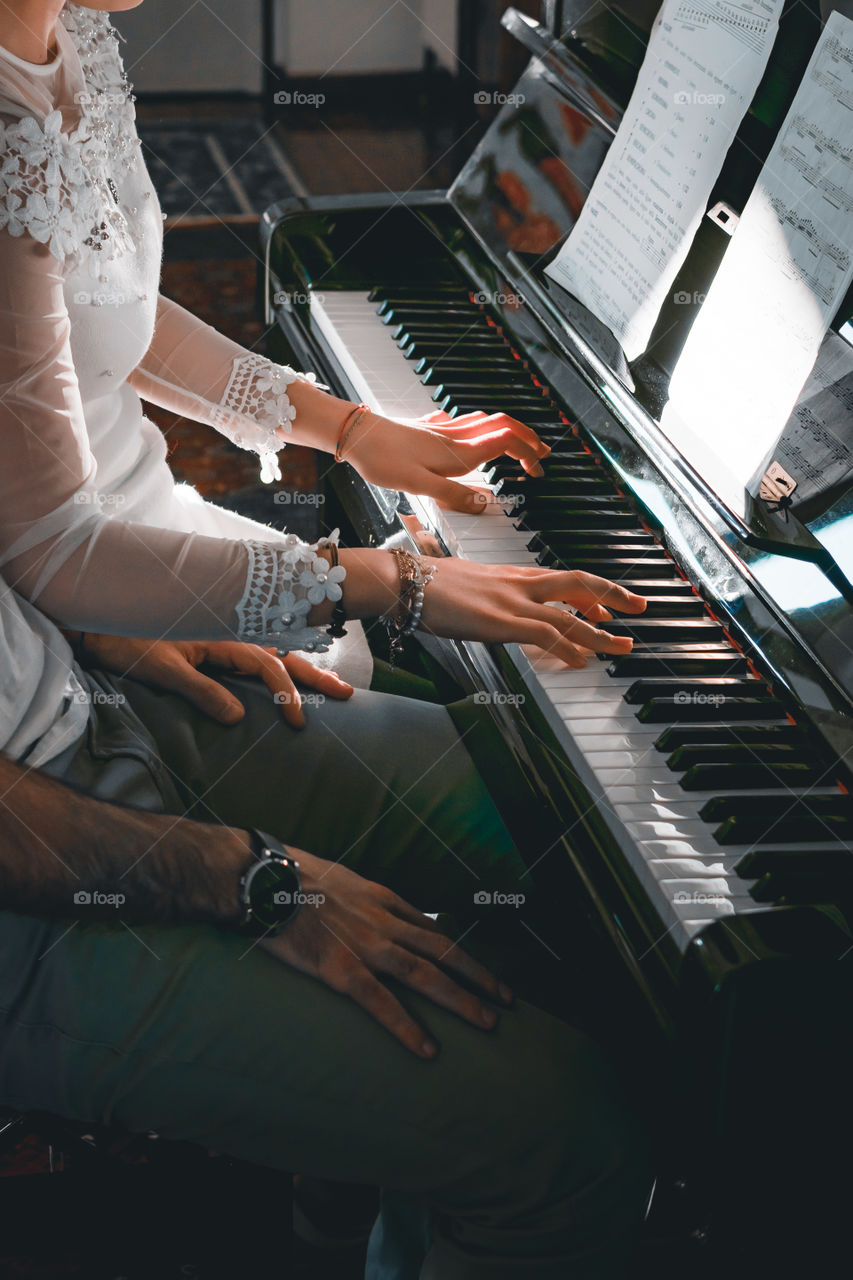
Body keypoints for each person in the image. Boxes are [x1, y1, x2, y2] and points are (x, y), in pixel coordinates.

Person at [0, 2, 652, 1274]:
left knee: (541, 831)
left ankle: (350, 1209)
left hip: (84, 672)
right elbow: (55, 540)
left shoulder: (65, 32)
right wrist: (382, 588)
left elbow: (105, 321)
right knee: (566, 1130)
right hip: (47, 840)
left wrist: (349, 432)